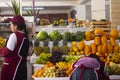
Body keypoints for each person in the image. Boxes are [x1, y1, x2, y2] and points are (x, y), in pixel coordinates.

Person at [0, 15, 29, 80]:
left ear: (15, 26)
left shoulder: (14, 36)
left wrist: (0, 49)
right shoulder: (25, 37)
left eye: (11, 24)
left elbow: (7, 52)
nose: (10, 26)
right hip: (22, 68)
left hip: (12, 68)